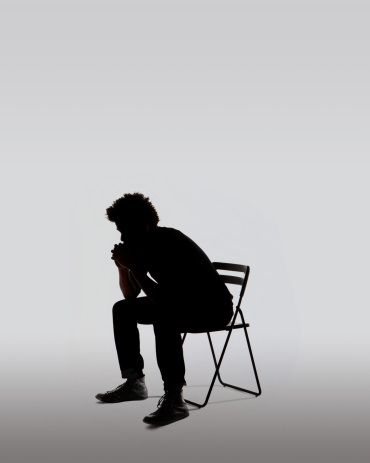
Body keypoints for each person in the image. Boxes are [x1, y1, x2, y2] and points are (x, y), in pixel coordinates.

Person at [95, 192, 234, 426]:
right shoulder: (142, 245)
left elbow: (163, 298)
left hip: (213, 308)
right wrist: (122, 267)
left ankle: (175, 398)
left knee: (164, 316)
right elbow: (131, 296)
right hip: (180, 303)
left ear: (145, 225)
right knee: (122, 309)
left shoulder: (169, 243)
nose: (122, 236)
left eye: (125, 229)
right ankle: (134, 382)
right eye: (119, 230)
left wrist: (134, 267)